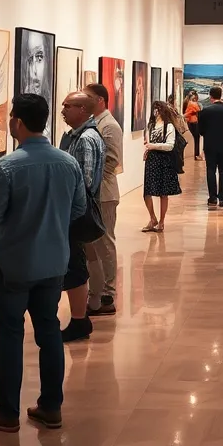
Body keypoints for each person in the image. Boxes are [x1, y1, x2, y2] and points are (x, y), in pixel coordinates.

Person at [0, 93, 88, 433]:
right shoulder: (68, 163)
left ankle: (7, 410)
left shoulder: (8, 166)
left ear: (18, 123)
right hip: (54, 262)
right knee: (49, 330)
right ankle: (51, 406)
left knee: (10, 336)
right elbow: (79, 209)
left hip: (13, 263)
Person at [57, 90, 106, 342]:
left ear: (83, 110)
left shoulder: (86, 139)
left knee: (75, 262)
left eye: (68, 106)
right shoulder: (78, 136)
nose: (63, 109)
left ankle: (81, 317)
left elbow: (84, 181)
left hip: (77, 211)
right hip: (75, 209)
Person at [83, 83, 122, 318]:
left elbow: (112, 160)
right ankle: (96, 293)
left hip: (105, 193)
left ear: (99, 100)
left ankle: (108, 293)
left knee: (105, 242)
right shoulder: (96, 124)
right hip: (95, 193)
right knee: (93, 245)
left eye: (87, 98)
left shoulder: (109, 125)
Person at [142, 101, 182, 232]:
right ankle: (152, 218)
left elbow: (170, 146)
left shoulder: (169, 126)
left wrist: (152, 146)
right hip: (152, 160)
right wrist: (149, 148)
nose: (156, 112)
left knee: (163, 193)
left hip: (164, 160)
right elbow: (148, 141)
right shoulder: (151, 125)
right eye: (154, 109)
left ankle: (162, 221)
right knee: (147, 192)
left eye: (158, 109)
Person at [197, 86, 223, 208]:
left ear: (210, 96)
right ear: (221, 96)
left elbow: (201, 130)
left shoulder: (205, 111)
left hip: (210, 144)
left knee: (211, 170)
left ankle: (213, 198)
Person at [183, 90, 202, 161]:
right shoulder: (193, 104)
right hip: (194, 122)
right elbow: (198, 110)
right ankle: (196, 155)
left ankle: (196, 154)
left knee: (195, 138)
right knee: (197, 138)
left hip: (189, 122)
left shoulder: (186, 103)